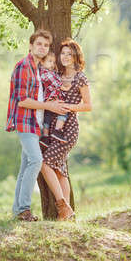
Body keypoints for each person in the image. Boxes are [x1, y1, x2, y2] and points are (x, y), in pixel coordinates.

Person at [6, 29, 70, 222]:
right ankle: (24, 209)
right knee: (36, 161)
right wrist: (48, 105)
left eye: (46, 45)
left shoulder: (36, 68)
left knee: (25, 166)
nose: (42, 47)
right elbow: (22, 101)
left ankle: (18, 210)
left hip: (35, 124)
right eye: (39, 44)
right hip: (25, 123)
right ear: (31, 45)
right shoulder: (24, 66)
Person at [40, 38, 92, 221]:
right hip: (53, 128)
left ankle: (63, 206)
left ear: (76, 56)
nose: (65, 56)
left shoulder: (81, 77)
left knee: (44, 164)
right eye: (63, 53)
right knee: (60, 170)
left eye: (69, 54)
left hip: (68, 129)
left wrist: (68, 107)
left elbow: (88, 106)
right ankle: (67, 215)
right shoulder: (56, 73)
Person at [38, 51, 70, 149]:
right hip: (53, 99)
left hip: (47, 101)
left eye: (53, 62)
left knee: (47, 117)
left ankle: (45, 137)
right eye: (50, 61)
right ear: (42, 62)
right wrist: (66, 88)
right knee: (64, 111)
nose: (52, 64)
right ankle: (57, 130)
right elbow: (57, 84)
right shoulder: (46, 73)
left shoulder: (46, 72)